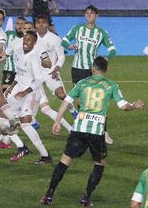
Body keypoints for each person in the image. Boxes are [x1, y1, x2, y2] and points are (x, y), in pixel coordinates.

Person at [40, 56, 145, 206]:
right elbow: (123, 106)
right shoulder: (111, 85)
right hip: (96, 131)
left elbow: (66, 101)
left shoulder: (82, 83)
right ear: (105, 70)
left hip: (79, 128)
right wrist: (134, 105)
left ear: (93, 68)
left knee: (65, 160)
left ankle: (48, 195)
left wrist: (57, 121)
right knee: (100, 163)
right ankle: (86, 198)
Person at [61, 5, 117, 144]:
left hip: (93, 71)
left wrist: (106, 58)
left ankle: (103, 132)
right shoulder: (77, 28)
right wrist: (69, 46)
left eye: (92, 13)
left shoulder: (101, 32)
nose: (89, 15)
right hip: (77, 69)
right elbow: (64, 40)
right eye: (87, 13)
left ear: (96, 16)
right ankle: (84, 129)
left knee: (98, 100)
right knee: (81, 102)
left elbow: (112, 49)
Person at [3, 31, 53, 164]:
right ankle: (22, 147)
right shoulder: (19, 54)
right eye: (25, 39)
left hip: (32, 92)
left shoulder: (34, 58)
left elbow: (38, 80)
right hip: (19, 90)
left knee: (25, 122)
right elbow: (19, 74)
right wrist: (11, 86)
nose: (26, 42)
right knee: (2, 116)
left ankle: (45, 156)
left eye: (29, 40)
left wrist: (25, 92)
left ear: (34, 42)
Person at [34, 14, 77, 126]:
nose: (41, 25)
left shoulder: (55, 39)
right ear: (35, 25)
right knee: (33, 99)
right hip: (36, 74)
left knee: (61, 95)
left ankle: (72, 110)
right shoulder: (32, 38)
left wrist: (57, 68)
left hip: (50, 72)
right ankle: (31, 121)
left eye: (44, 22)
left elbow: (61, 56)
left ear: (48, 24)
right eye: (38, 23)